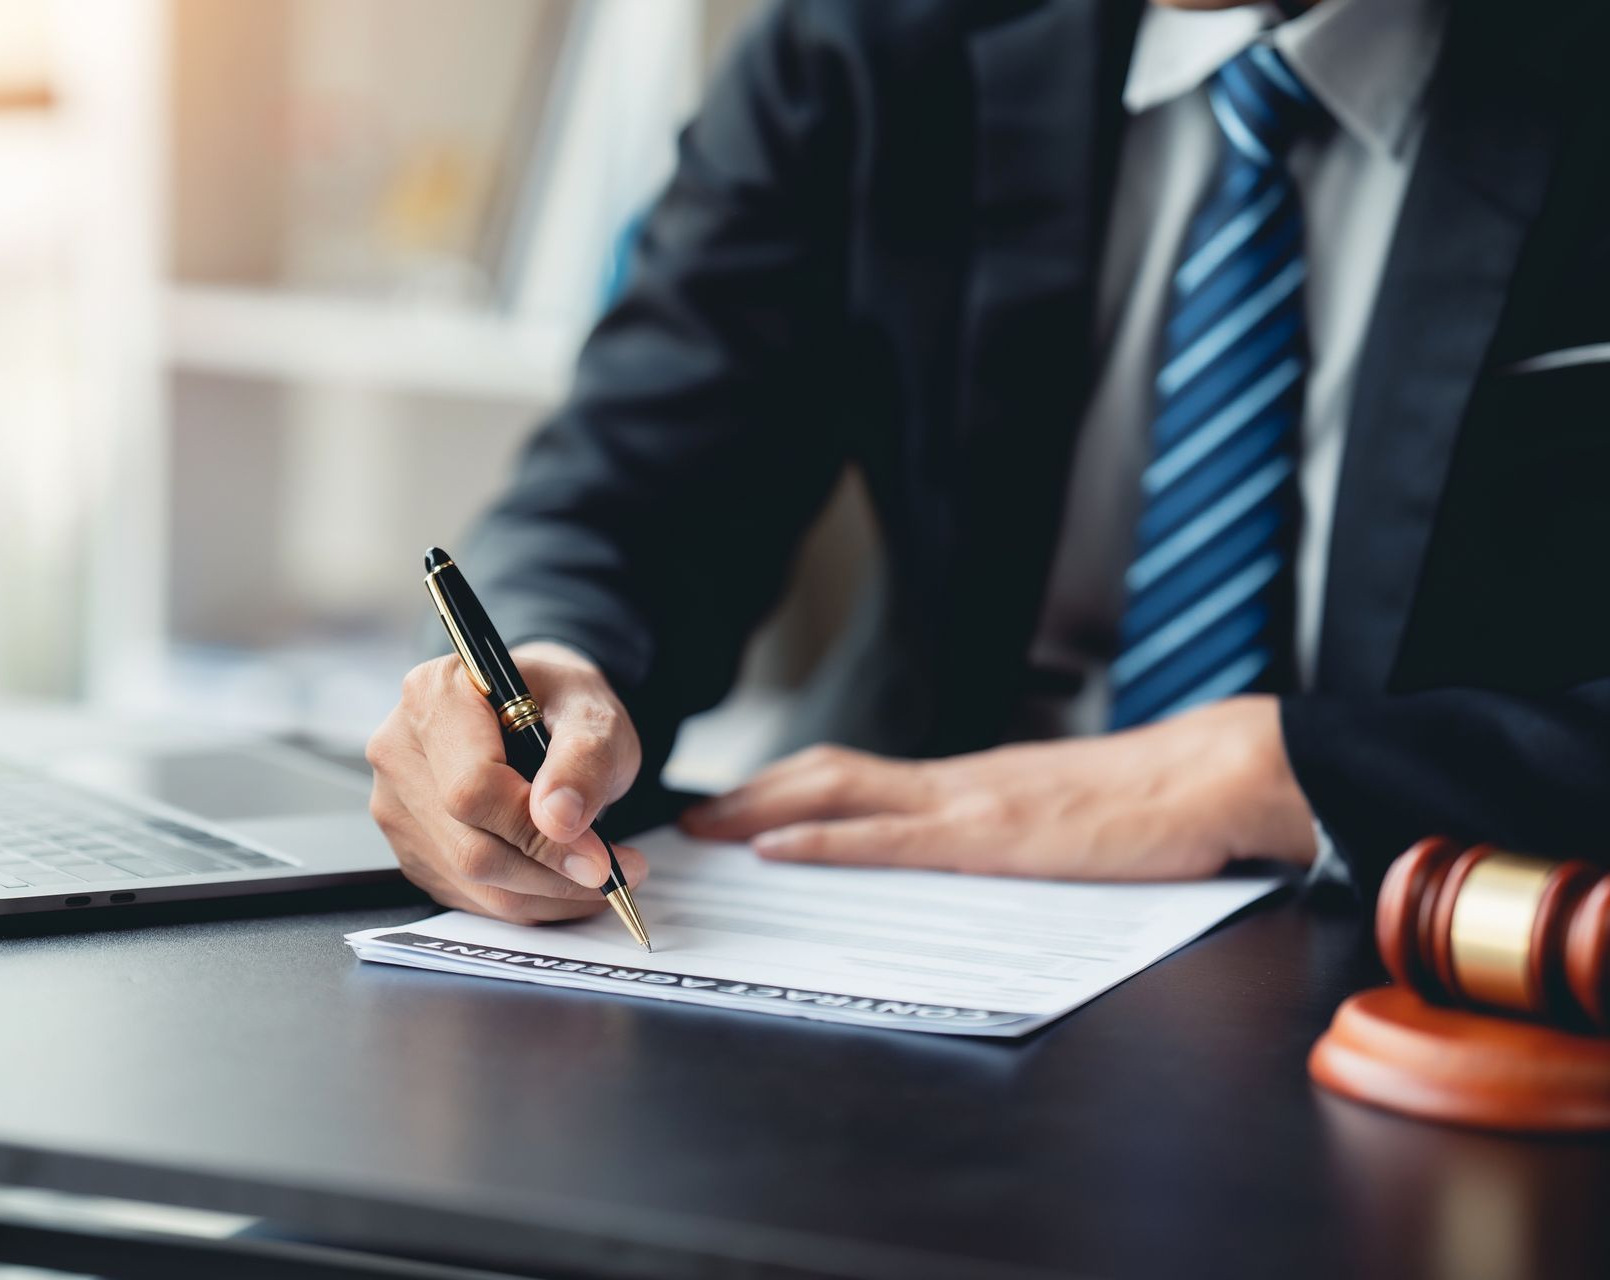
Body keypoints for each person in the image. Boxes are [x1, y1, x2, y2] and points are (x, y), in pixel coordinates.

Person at [365, 0, 1610, 925]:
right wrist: (548, 669)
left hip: (1441, 937)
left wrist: (1281, 769)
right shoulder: (872, 37)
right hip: (904, 912)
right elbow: (630, 480)